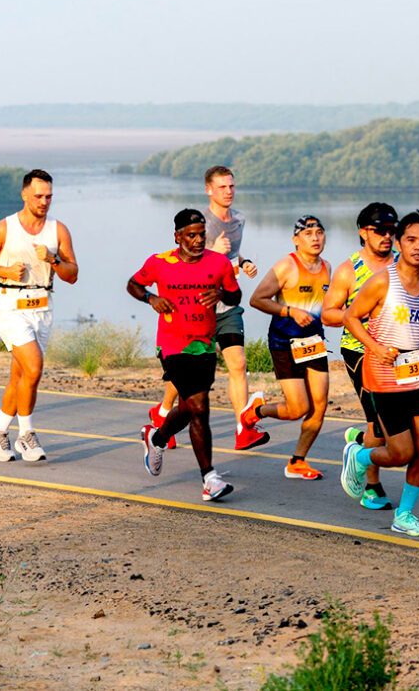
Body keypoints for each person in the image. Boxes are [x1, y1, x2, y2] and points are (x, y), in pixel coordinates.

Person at [341, 211, 419, 536]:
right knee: (401, 452)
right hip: (383, 374)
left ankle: (404, 515)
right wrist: (375, 348)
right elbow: (351, 318)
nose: (418, 247)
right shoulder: (382, 281)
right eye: (411, 240)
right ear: (400, 242)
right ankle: (360, 456)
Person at [148, 166, 265, 451]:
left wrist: (243, 263)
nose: (229, 192)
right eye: (222, 187)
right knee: (186, 377)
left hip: (226, 307)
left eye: (232, 186)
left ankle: (242, 428)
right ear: (208, 190)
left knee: (238, 363)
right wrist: (213, 249)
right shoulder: (202, 224)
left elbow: (232, 257)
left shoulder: (239, 219)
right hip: (197, 310)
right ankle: (162, 413)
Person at [128, 209, 240, 501]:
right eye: (191, 235)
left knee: (191, 407)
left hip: (204, 344)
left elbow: (235, 295)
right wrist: (151, 298)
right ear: (177, 237)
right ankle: (210, 479)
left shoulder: (218, 264)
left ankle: (157, 437)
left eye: (202, 234)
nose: (198, 240)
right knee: (200, 407)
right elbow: (133, 284)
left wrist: (221, 296)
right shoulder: (159, 263)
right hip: (172, 344)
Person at [0, 169, 79, 462]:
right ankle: (26, 435)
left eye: (49, 196)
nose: (44, 201)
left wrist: (53, 259)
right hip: (11, 307)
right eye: (39, 196)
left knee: (19, 377)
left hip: (43, 308)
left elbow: (72, 274)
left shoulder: (58, 231)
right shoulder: (4, 228)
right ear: (24, 195)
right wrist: (4, 271)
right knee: (34, 368)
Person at [242, 215, 332, 480]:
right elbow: (257, 299)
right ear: (296, 239)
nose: (315, 238)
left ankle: (297, 461)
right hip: (284, 343)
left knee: (319, 405)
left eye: (319, 232)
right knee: (297, 409)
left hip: (313, 343)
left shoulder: (327, 267)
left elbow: (328, 306)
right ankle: (255, 411)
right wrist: (289, 311)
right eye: (308, 233)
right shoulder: (286, 266)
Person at [323, 202, 399, 510]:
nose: (387, 237)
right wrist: (357, 316)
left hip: (398, 353)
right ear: (363, 232)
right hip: (360, 351)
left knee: (400, 424)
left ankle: (359, 439)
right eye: (380, 231)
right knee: (379, 423)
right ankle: (372, 487)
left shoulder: (402, 263)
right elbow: (328, 313)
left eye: (392, 231)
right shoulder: (349, 270)